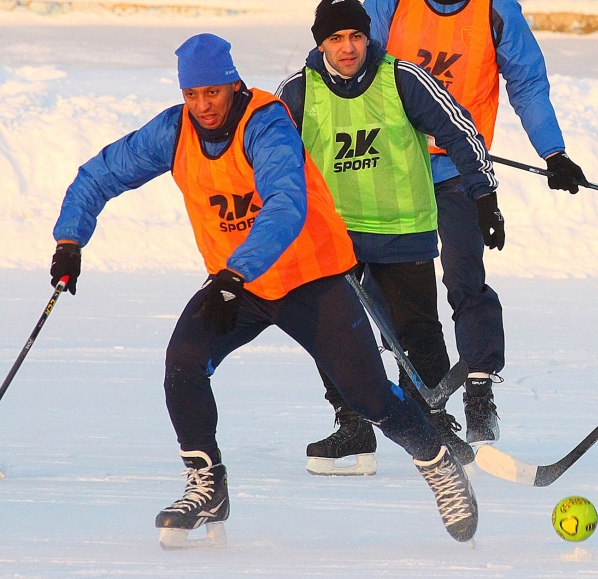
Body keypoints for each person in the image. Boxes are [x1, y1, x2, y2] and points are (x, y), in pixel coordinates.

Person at [48, 34, 478, 546]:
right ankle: (206, 484)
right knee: (184, 361)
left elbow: (285, 203)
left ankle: (438, 463)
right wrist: (70, 238)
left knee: (366, 395)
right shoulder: (174, 130)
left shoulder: (267, 123)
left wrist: (235, 272)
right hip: (240, 285)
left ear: (233, 84)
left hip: (309, 277)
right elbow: (100, 175)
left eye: (213, 93)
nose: (203, 106)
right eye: (192, 95)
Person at [362, 0, 588, 445]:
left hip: (461, 167)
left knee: (465, 275)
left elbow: (527, 85)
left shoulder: (497, 9)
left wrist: (553, 153)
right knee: (397, 283)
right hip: (394, 166)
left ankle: (479, 385)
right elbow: (351, 68)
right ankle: (414, 392)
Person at [276, 0, 500, 473]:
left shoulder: (402, 78)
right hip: (334, 237)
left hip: (403, 229)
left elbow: (460, 129)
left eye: (356, 36)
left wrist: (483, 196)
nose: (348, 47)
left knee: (417, 331)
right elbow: (270, 157)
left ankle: (432, 421)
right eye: (336, 39)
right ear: (321, 45)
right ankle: (353, 423)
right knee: (331, 331)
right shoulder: (298, 90)